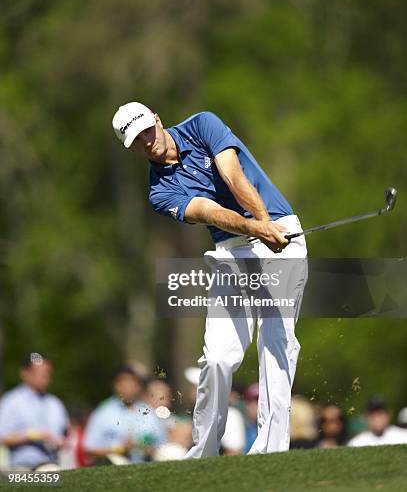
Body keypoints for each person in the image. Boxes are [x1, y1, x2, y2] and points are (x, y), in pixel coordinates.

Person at [112, 103, 308, 458]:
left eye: (145, 130)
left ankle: (270, 449)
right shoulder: (159, 192)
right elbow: (209, 211)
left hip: (280, 231)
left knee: (276, 342)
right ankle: (203, 453)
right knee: (218, 357)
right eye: (135, 141)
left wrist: (265, 224)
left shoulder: (202, 125)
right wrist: (254, 229)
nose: (145, 141)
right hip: (232, 249)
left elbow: (233, 176)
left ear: (156, 117)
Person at [0, 353, 69, 470]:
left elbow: (66, 435)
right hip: (22, 469)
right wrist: (33, 436)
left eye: (47, 374)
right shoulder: (11, 401)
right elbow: (2, 437)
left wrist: (61, 442)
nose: (45, 378)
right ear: (25, 374)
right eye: (41, 374)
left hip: (52, 464)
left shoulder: (55, 403)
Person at [84, 366, 167, 464]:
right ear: (115, 386)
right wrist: (121, 449)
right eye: (124, 384)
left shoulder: (149, 412)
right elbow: (89, 450)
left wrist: (146, 448)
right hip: (114, 465)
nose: (128, 388)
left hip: (147, 463)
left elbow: (162, 445)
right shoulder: (103, 413)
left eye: (132, 384)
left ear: (139, 386)